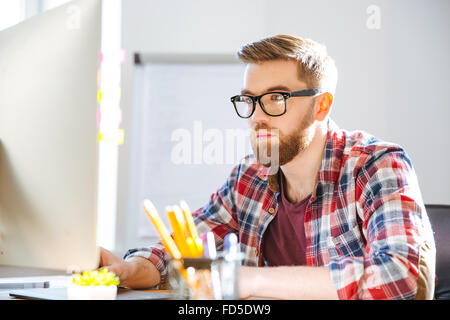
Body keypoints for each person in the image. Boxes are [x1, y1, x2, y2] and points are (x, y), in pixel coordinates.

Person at [100, 34, 436, 300]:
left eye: (277, 98)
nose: (258, 116)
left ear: (321, 106)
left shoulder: (377, 165)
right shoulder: (249, 178)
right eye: (250, 99)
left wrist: (247, 280)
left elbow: (398, 276)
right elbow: (184, 251)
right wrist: (129, 269)